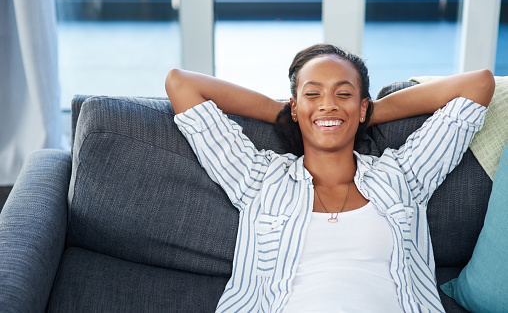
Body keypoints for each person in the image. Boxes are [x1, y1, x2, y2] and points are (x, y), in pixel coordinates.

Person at [165, 44, 494, 313]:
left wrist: (361, 114)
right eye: (313, 95)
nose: (328, 104)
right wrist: (289, 114)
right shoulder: (257, 177)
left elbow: (477, 84)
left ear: (363, 106)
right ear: (295, 106)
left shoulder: (405, 175)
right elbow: (182, 84)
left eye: (343, 94)